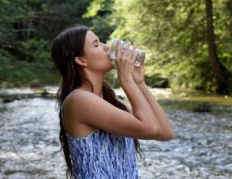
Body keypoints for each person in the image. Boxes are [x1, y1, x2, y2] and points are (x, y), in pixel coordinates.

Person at [50, 25, 174, 179]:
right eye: (96, 45)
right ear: (81, 60)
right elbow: (151, 129)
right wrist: (126, 80)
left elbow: (165, 132)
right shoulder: (80, 100)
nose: (106, 47)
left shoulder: (109, 101)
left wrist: (140, 83)